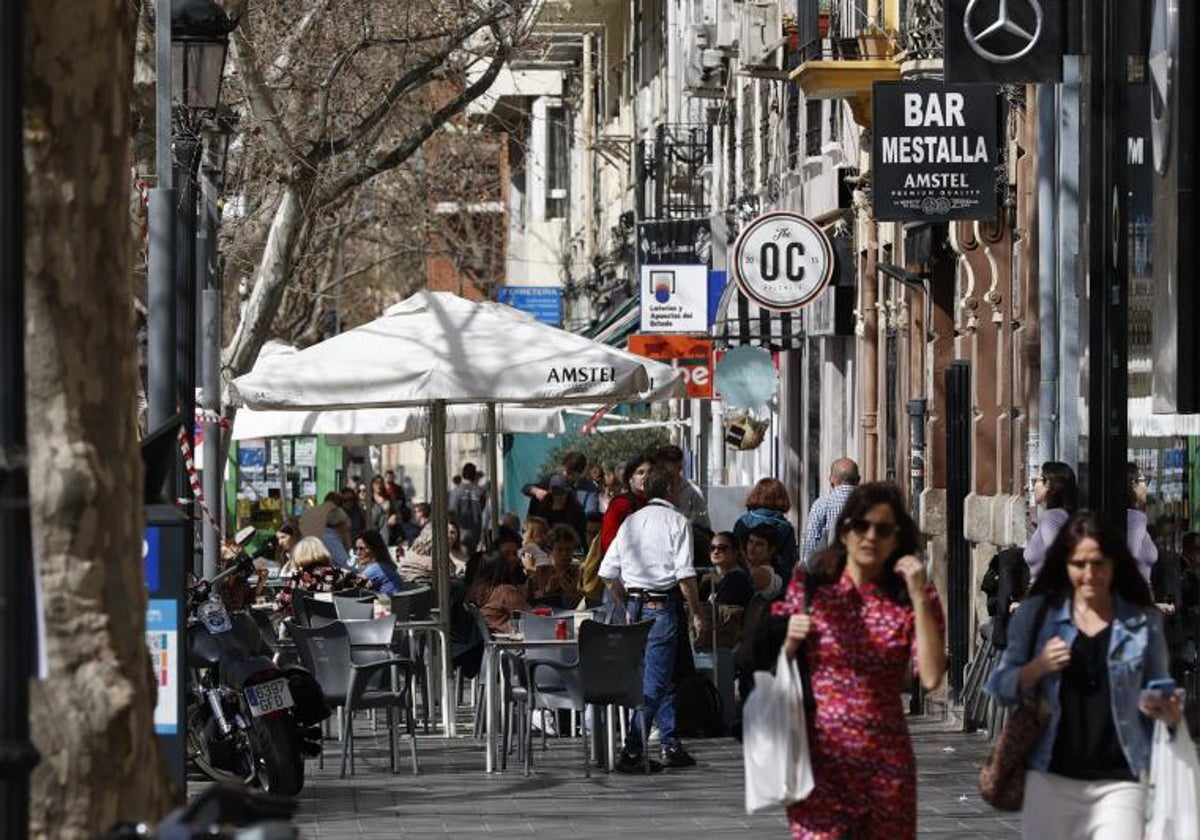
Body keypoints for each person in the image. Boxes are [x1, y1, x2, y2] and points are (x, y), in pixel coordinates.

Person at [984, 511, 1179, 839]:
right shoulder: (1037, 615)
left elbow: (1158, 684)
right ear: (1064, 565)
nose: (1089, 574)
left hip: (1122, 778)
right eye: (1079, 564)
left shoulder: (1140, 620)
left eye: (1099, 563)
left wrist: (1165, 707)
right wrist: (1037, 667)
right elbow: (1001, 689)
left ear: (1115, 564)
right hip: (1051, 776)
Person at [773, 481, 946, 839]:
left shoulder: (910, 596)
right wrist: (789, 642)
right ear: (844, 530)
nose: (870, 537)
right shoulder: (813, 586)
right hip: (819, 760)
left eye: (883, 529)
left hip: (885, 765)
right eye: (860, 526)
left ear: (898, 537)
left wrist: (917, 593)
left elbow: (930, 678)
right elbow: (766, 657)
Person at [599, 464, 707, 772]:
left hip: (636, 606)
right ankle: (632, 751)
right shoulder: (677, 522)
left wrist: (627, 601)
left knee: (664, 676)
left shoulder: (631, 522)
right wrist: (697, 613)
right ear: (672, 490)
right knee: (656, 682)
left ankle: (671, 743)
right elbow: (685, 576)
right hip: (661, 606)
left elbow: (607, 573)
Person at [277, 536, 371, 617]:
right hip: (340, 628)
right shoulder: (341, 573)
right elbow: (367, 585)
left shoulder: (297, 579)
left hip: (307, 632)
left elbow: (279, 606)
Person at [733, 477, 798, 580]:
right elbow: (788, 562)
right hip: (774, 583)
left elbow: (734, 554)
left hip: (743, 580)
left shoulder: (743, 521)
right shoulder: (786, 527)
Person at [800, 457, 860, 568]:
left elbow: (811, 541)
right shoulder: (867, 503)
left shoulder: (822, 504)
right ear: (858, 479)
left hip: (830, 570)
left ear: (832, 480)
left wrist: (807, 568)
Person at [1024, 461, 1078, 582]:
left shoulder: (1051, 518)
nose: (1029, 487)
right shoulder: (1061, 516)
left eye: (1035, 481)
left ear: (1048, 484)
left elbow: (1057, 563)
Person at [600, 451, 655, 554]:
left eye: (650, 472)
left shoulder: (656, 503)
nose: (645, 477)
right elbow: (608, 543)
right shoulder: (620, 504)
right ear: (630, 478)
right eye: (640, 473)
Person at [469, 550, 533, 634]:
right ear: (504, 568)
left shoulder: (475, 590)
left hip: (492, 639)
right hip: (508, 640)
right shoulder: (506, 592)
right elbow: (531, 616)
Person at [522, 451, 601, 517]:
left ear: (581, 474)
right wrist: (536, 491)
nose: (565, 475)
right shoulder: (555, 479)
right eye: (564, 470)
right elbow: (526, 488)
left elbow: (590, 513)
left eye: (570, 473)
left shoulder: (590, 489)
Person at [656, 444, 710, 529]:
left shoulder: (693, 493)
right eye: (661, 468)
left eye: (667, 469)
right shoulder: (656, 491)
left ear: (679, 467)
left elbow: (704, 526)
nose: (664, 473)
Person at [530, 524, 581, 608]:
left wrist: (574, 592)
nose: (564, 554)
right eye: (559, 550)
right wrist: (547, 591)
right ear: (550, 551)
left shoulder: (578, 572)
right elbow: (531, 601)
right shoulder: (541, 572)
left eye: (568, 550)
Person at [1127, 463, 1158, 583]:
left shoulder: (1129, 517)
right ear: (1133, 484)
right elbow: (1129, 558)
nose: (1146, 487)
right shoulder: (1136, 519)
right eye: (1144, 481)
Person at [706, 531, 754, 608]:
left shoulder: (737, 580)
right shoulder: (717, 580)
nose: (716, 551)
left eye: (722, 548)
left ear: (735, 552)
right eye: (712, 548)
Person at [448, 461, 487, 554]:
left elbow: (451, 512)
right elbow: (484, 511)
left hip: (459, 531)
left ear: (462, 474)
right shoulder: (480, 492)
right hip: (475, 532)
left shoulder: (455, 492)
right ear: (474, 475)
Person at [536, 473, 587, 545]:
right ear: (551, 492)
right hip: (547, 547)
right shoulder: (543, 508)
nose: (560, 496)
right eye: (556, 492)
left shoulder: (576, 510)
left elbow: (583, 536)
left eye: (563, 492)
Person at [354, 529, 403, 595]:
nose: (357, 553)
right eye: (356, 549)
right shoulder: (386, 565)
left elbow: (353, 589)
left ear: (374, 549)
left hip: (386, 603)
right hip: (397, 602)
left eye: (361, 549)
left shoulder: (374, 569)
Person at [743, 523, 784, 600]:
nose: (752, 548)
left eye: (759, 544)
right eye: (750, 541)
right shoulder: (773, 573)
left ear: (771, 550)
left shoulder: (760, 573)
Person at [367, 475, 401, 546]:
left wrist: (394, 516)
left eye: (381, 483)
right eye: (376, 483)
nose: (379, 486)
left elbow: (398, 513)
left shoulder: (389, 498)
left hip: (388, 532)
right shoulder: (369, 500)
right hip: (373, 531)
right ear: (372, 485)